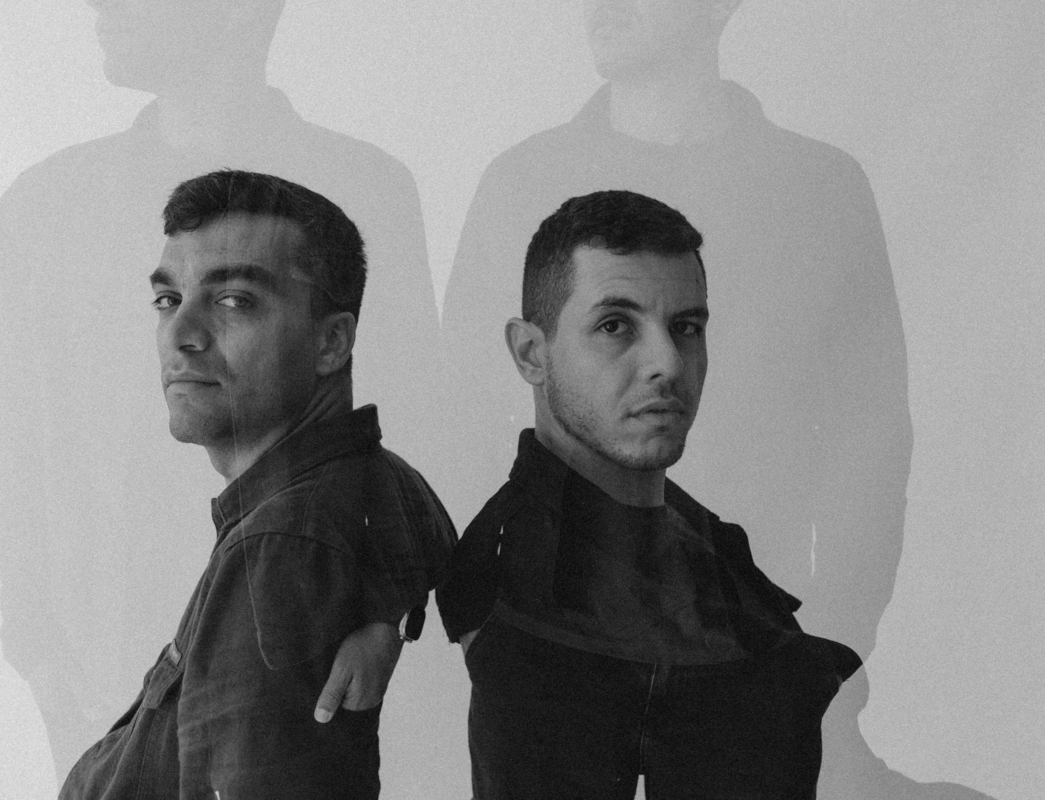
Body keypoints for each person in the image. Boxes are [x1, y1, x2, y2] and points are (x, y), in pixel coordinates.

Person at [438, 3, 911, 794]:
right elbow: (456, 414)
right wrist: (483, 625)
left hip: (752, 651)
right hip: (554, 645)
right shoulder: (521, 179)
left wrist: (835, 648)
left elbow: (873, 432)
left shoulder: (817, 186)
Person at [0, 0, 443, 779]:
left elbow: (413, 424)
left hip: (293, 647)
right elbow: (22, 437)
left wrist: (386, 616)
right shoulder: (47, 203)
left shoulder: (365, 186)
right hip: (102, 668)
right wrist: (35, 648)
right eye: (167, 300)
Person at [437, 190, 861, 799]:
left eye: (686, 328)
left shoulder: (716, 558)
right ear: (531, 353)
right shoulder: (513, 581)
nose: (668, 363)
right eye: (615, 326)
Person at [59, 170, 455, 798]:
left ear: (331, 342)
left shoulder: (276, 548)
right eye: (168, 300)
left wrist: (386, 623)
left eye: (234, 300)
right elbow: (422, 534)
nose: (180, 336)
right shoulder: (375, 478)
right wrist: (387, 620)